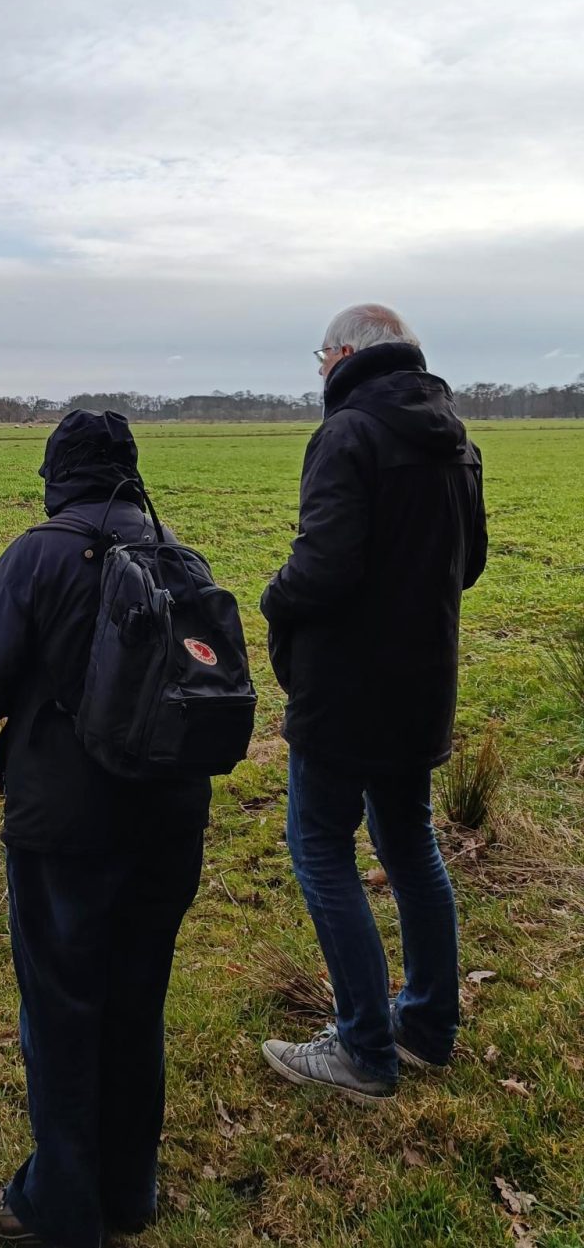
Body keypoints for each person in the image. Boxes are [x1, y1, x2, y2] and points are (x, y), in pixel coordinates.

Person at [0, 410, 211, 1248]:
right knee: (138, 1003)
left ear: (58, 474)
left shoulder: (37, 552)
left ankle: (59, 1204)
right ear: (129, 469)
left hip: (63, 829)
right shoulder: (182, 557)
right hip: (170, 823)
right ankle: (131, 1189)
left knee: (61, 1012)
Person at [260, 304, 487, 1102]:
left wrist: (271, 599)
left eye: (321, 354)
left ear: (348, 353)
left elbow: (320, 569)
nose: (319, 368)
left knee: (320, 847)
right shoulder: (456, 438)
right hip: (422, 688)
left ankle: (363, 1048)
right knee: (410, 845)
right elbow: (473, 562)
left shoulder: (347, 434)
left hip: (345, 695)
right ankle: (425, 1025)